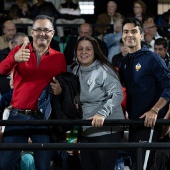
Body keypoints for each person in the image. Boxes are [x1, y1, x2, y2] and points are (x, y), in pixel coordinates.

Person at [0, 15, 66, 170]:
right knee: (4, 164)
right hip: (17, 116)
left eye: (46, 30)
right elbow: (1, 69)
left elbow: (65, 85)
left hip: (43, 119)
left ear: (53, 33)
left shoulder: (59, 58)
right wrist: (14, 59)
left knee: (44, 166)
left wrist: (61, 89)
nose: (42, 33)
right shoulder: (19, 50)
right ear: (32, 32)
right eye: (38, 30)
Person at [119, 17, 170, 170]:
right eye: (126, 31)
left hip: (149, 124)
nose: (129, 35)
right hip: (134, 123)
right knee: (137, 166)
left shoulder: (151, 58)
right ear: (122, 36)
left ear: (141, 35)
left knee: (142, 167)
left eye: (133, 31)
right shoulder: (125, 62)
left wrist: (155, 110)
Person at [72, 36, 125, 170]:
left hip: (107, 130)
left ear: (95, 51)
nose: (84, 52)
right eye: (80, 49)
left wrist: (102, 114)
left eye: (88, 49)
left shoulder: (104, 69)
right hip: (86, 131)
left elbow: (117, 94)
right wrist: (72, 138)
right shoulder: (75, 70)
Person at [0, 32, 30, 97]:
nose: (26, 47)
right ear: (14, 45)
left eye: (28, 44)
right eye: (22, 44)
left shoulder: (32, 57)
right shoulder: (2, 56)